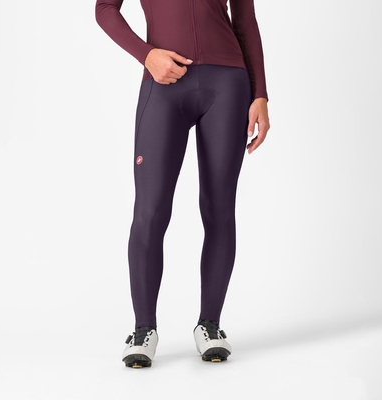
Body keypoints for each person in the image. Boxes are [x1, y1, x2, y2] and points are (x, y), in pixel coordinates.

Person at [95, 0, 270, 368]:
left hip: (228, 83)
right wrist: (147, 55)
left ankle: (210, 326)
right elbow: (105, 8)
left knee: (219, 208)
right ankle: (143, 329)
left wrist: (260, 94)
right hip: (163, 84)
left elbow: (245, 19)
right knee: (150, 211)